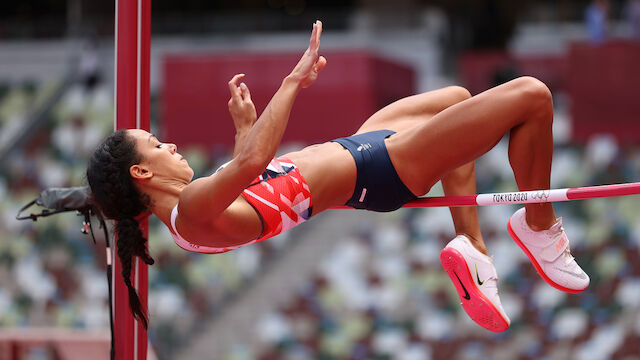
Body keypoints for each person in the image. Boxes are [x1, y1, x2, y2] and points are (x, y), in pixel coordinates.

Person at [87, 21, 589, 332]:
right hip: (383, 171)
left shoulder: (196, 205)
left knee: (458, 99)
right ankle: (539, 226)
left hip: (362, 147)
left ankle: (473, 251)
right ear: (142, 171)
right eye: (156, 145)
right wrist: (291, 82)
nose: (169, 144)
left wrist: (245, 128)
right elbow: (252, 166)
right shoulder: (187, 213)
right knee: (533, 95)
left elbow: (249, 181)